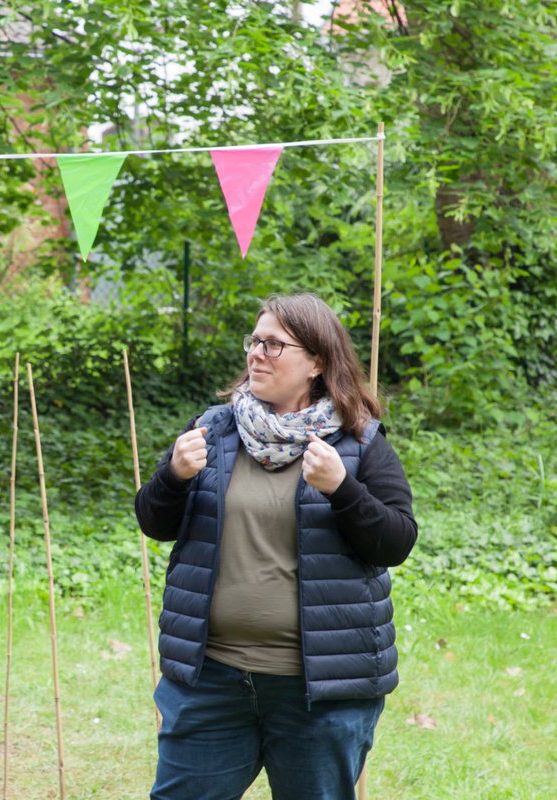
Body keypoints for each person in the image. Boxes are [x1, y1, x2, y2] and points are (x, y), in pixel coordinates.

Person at [135, 293, 418, 800]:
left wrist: (343, 490)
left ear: (317, 362)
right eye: (254, 341)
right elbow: (154, 521)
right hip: (212, 680)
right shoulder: (213, 430)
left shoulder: (358, 443)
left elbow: (396, 541)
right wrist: (173, 476)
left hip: (320, 692)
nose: (256, 354)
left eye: (273, 344)